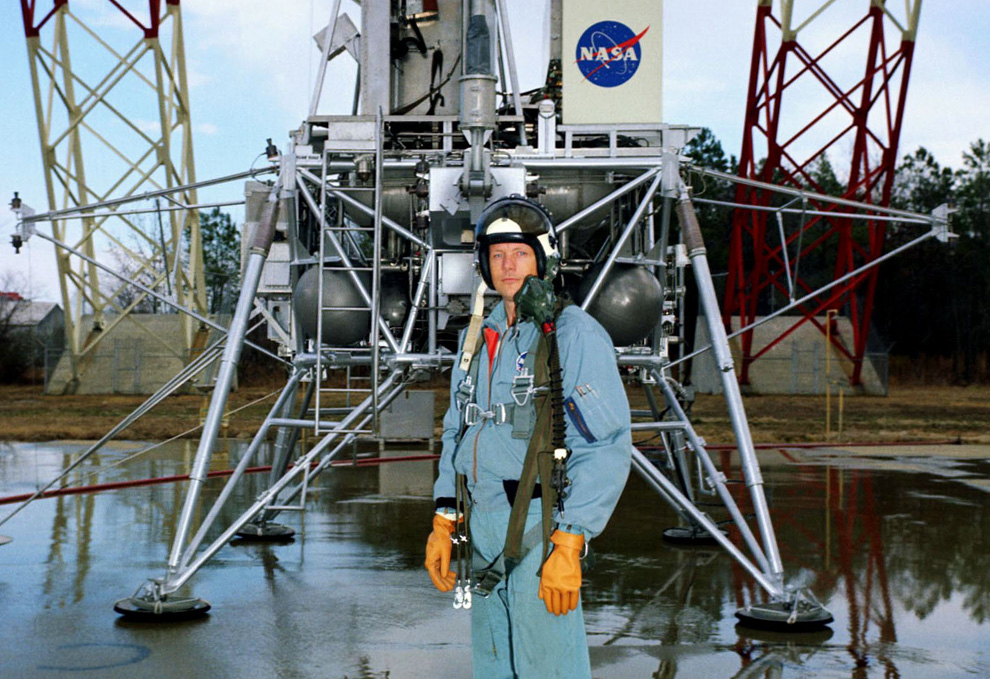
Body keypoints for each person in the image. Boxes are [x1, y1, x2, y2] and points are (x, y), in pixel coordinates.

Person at [424, 195, 632, 678]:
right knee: (494, 664)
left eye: (520, 253)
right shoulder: (478, 339)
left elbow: (605, 445)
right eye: (497, 255)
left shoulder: (572, 334)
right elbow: (458, 428)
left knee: (549, 667)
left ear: (543, 259)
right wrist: (444, 517)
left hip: (540, 527)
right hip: (481, 527)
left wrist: (571, 540)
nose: (508, 265)